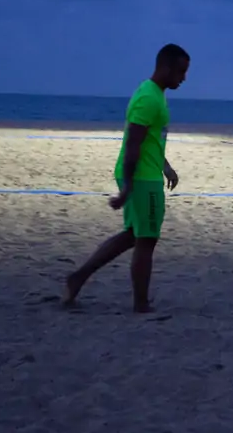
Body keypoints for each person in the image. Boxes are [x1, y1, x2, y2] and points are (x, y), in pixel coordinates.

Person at [63, 43, 190, 313]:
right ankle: (141, 303)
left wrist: (165, 165)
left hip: (147, 174)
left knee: (133, 235)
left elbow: (149, 140)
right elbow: (133, 143)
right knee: (147, 240)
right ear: (165, 67)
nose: (184, 78)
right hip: (142, 179)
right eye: (180, 71)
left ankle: (79, 277)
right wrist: (128, 187)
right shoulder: (149, 98)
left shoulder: (154, 93)